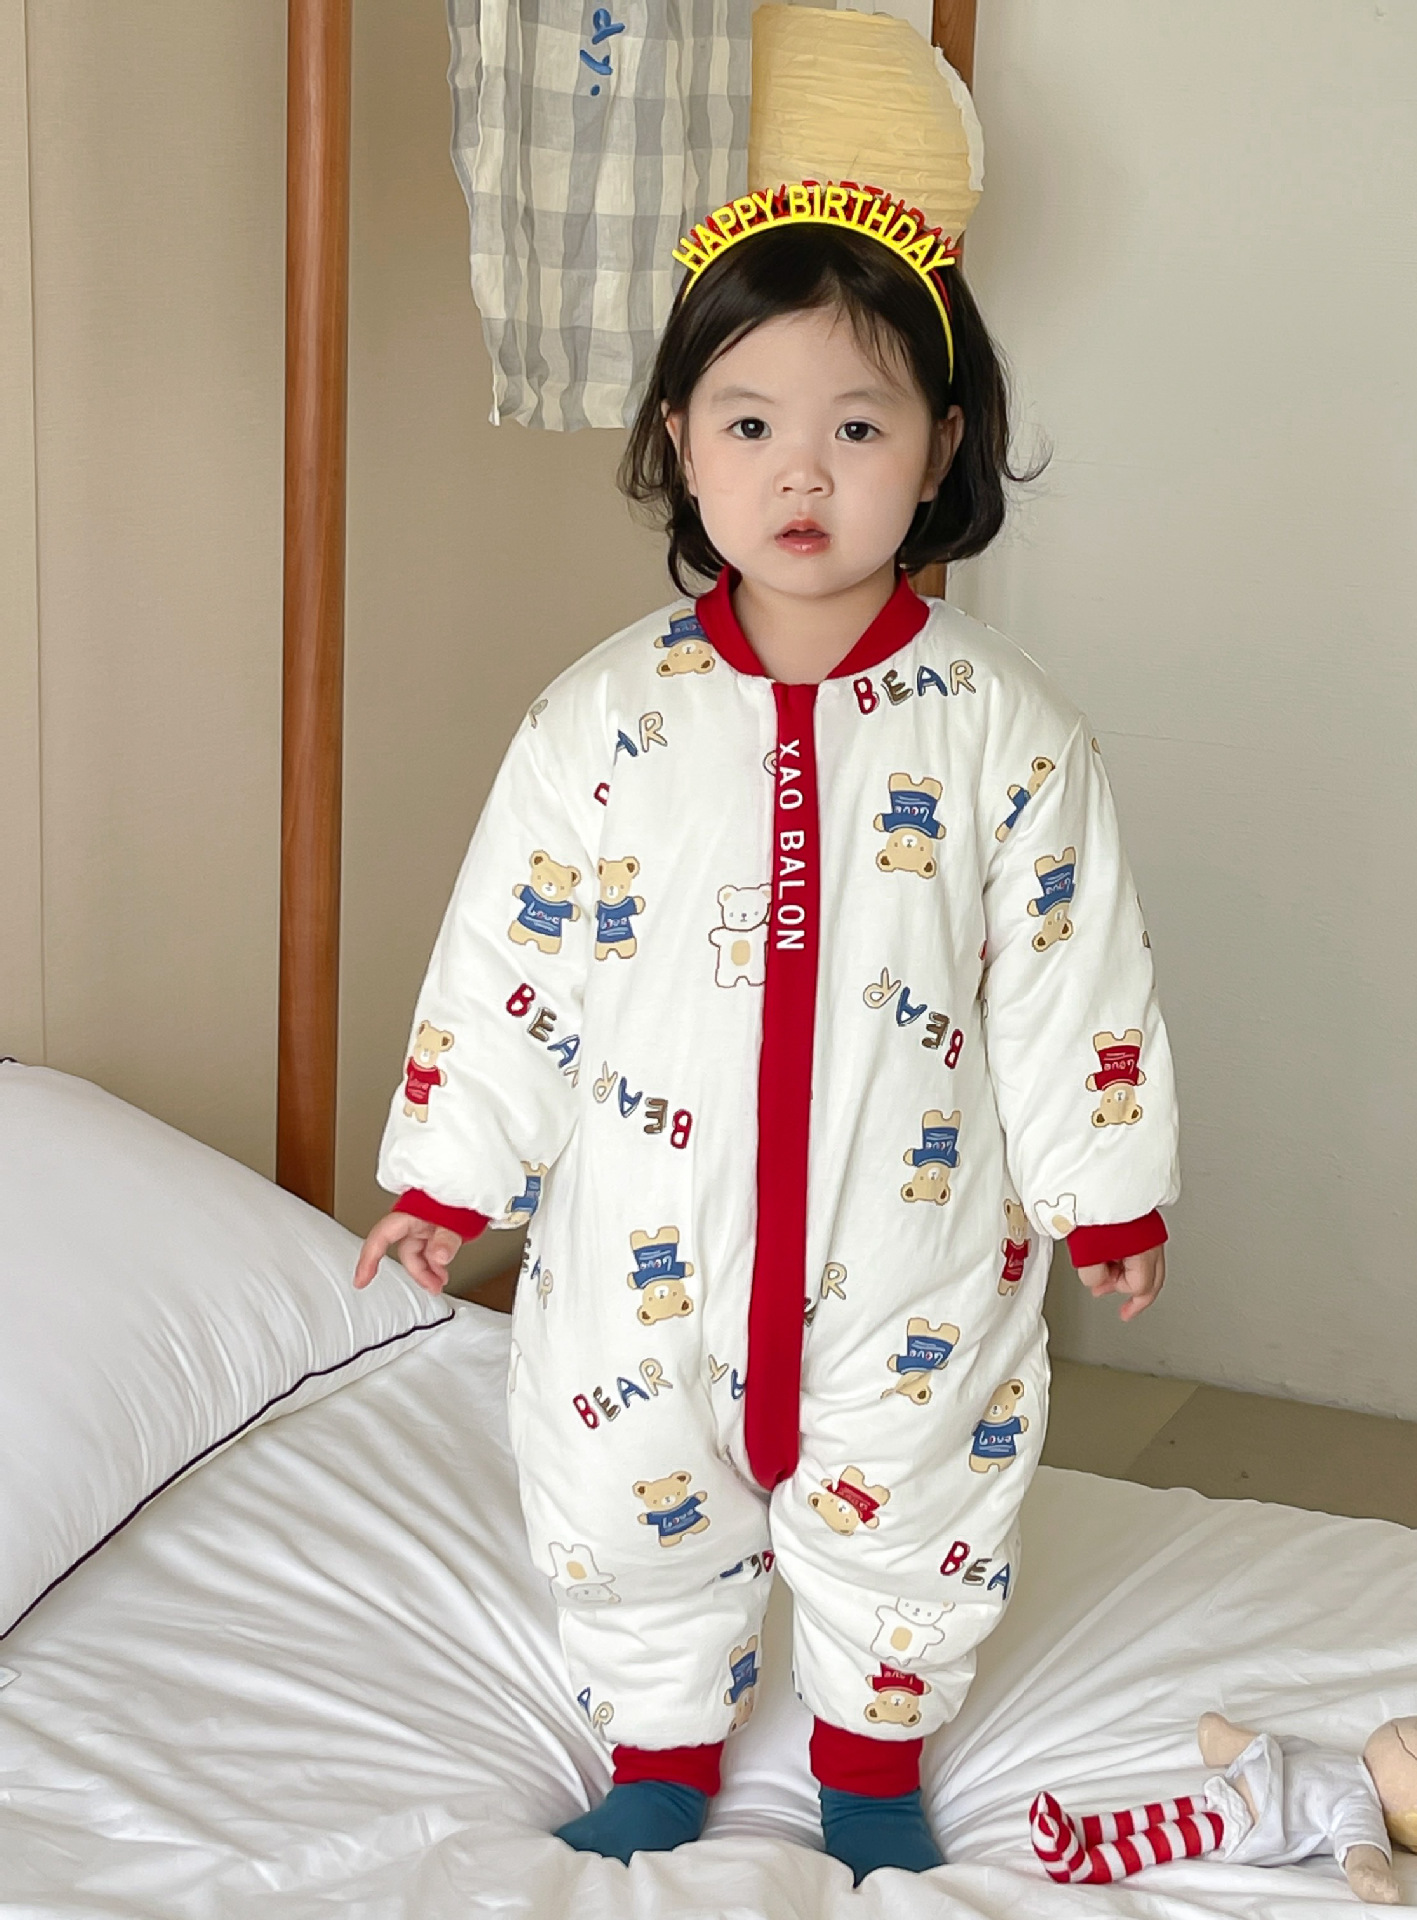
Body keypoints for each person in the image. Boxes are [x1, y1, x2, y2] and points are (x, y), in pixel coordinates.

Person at [352, 180, 1179, 1883]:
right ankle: (660, 1746)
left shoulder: (1007, 726)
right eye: (750, 423)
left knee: (922, 1484)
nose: (803, 472)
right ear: (681, 441)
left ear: (941, 450)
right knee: (622, 1478)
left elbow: (1067, 974)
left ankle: (870, 1761)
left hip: (915, 1236)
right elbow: (515, 957)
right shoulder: (601, 716)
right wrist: (450, 1177)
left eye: (857, 426)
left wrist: (1105, 1194)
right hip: (642, 1228)